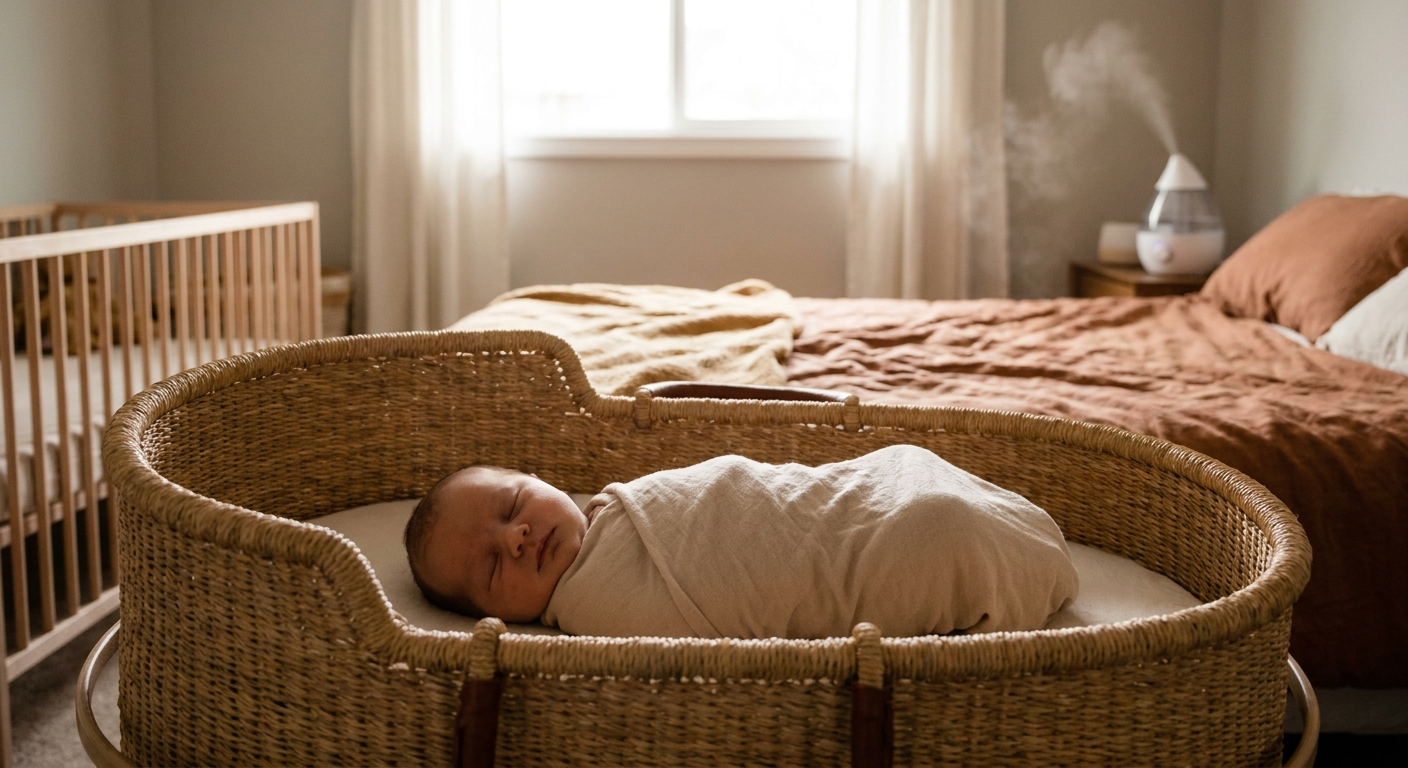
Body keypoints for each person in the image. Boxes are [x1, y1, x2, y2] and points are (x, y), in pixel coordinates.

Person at [405, 445, 1079, 638]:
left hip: (835, 501)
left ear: (539, 477)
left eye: (514, 506)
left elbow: (748, 492)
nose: (519, 539)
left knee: (897, 475)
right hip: (897, 541)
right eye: (494, 565)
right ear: (496, 617)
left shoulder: (615, 508)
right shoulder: (593, 613)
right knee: (934, 530)